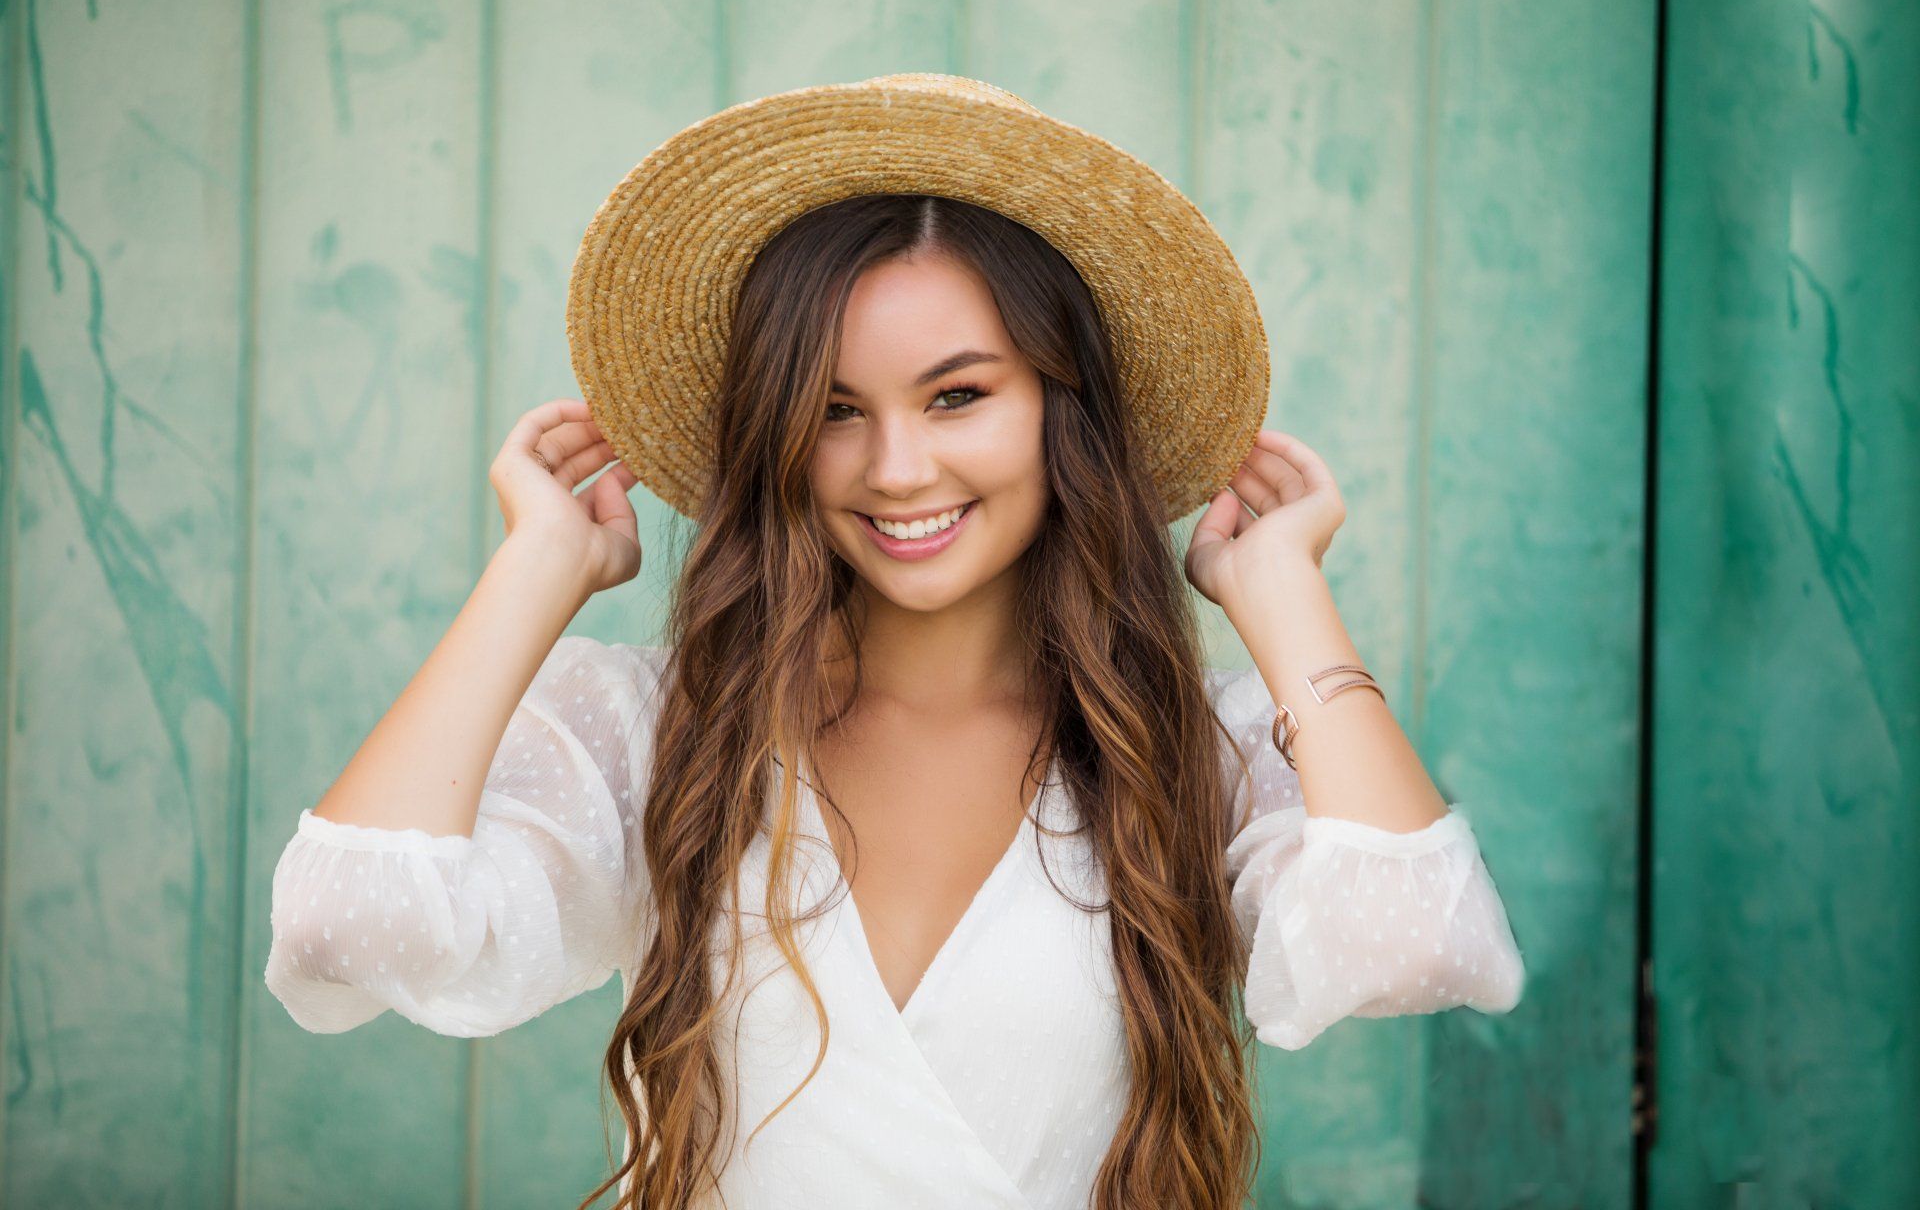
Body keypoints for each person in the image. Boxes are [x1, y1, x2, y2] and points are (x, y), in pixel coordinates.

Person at [264, 75, 1525, 1210]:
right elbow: (347, 919)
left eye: (959, 394)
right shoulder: (667, 731)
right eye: (832, 410)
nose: (897, 468)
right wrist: (535, 574)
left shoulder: (1197, 748)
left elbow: (1414, 939)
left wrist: (1282, 594)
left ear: (1061, 410)